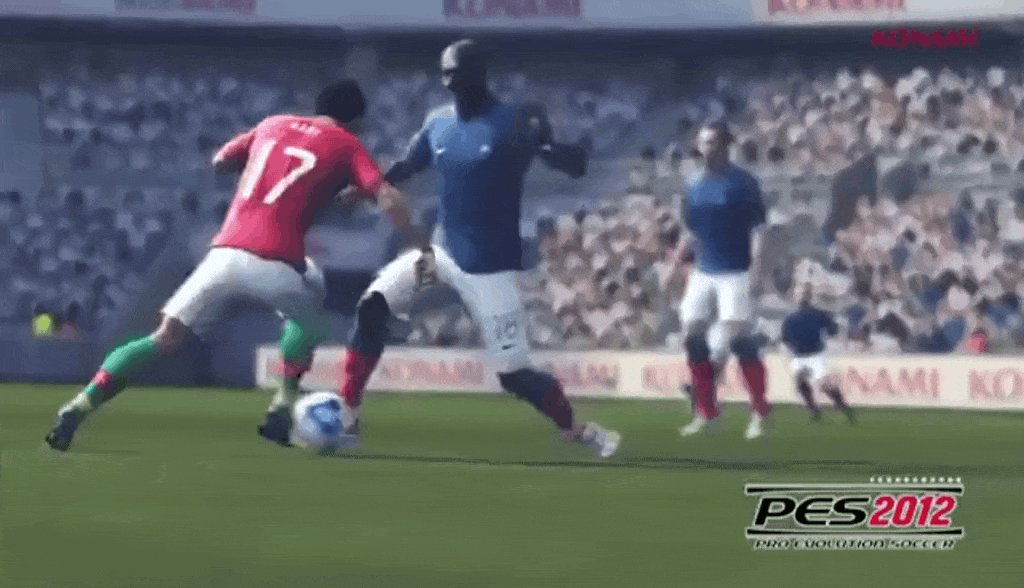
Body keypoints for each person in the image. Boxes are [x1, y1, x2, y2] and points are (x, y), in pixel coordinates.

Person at [45, 80, 423, 451]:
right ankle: (282, 403)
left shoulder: (273, 123)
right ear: (356, 120)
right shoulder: (346, 143)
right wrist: (415, 242)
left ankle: (80, 404)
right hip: (278, 260)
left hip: (223, 254)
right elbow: (386, 197)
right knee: (310, 312)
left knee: (162, 338)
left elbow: (221, 161)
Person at [334, 39, 621, 458]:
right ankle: (348, 417)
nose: (450, 83)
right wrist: (366, 188)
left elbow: (574, 166)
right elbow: (408, 166)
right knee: (371, 308)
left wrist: (551, 146)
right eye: (445, 75)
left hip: (489, 270)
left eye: (457, 74)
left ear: (478, 74)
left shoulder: (513, 122)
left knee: (513, 375)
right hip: (440, 256)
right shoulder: (438, 122)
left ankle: (578, 430)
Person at [677, 121, 771, 440]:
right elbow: (691, 230)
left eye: (711, 142)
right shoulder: (692, 183)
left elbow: (758, 228)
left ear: (724, 145)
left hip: (736, 271)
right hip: (704, 271)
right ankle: (706, 410)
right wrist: (675, 263)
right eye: (702, 142)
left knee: (738, 341)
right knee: (692, 335)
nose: (705, 148)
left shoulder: (743, 182)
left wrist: (756, 267)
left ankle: (758, 409)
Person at [781, 283, 854, 423]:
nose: (802, 297)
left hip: (815, 354)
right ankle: (816, 409)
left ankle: (840, 406)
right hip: (801, 355)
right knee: (802, 382)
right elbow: (786, 338)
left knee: (821, 385)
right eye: (801, 294)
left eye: (805, 294)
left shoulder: (817, 314)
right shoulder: (792, 317)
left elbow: (833, 330)